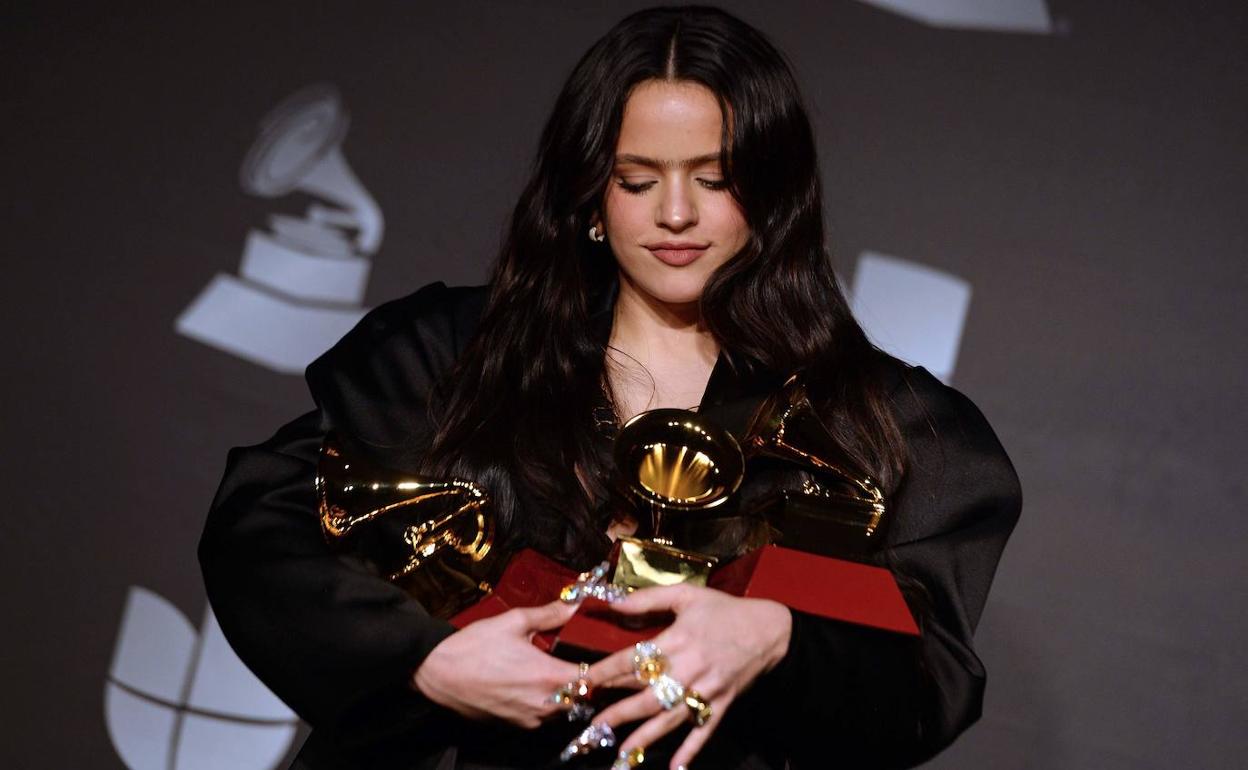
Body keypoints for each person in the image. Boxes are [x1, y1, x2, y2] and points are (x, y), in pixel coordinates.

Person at [198, 5, 1022, 769]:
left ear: (772, 196)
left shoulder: (882, 421)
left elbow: (929, 675)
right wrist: (424, 660)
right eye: (637, 180)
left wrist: (777, 637)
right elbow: (261, 527)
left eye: (714, 177)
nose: (675, 214)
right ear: (591, 196)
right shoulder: (450, 357)